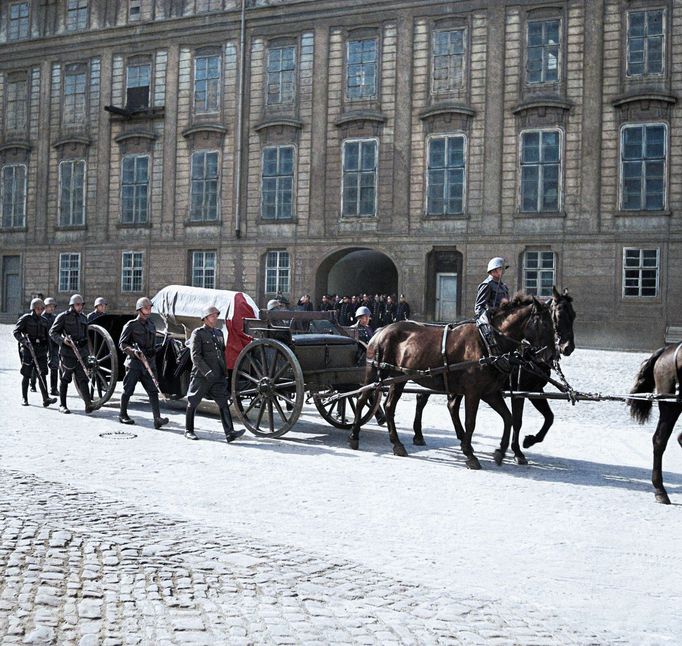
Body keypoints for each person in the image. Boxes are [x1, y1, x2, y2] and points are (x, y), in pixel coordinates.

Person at [185, 305, 244, 443]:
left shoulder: (218, 333)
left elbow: (222, 354)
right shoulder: (198, 333)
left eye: (216, 315)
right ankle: (188, 430)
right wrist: (207, 371)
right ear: (205, 318)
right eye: (212, 316)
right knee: (193, 401)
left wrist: (224, 373)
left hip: (217, 375)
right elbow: (196, 356)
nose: (215, 318)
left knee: (223, 402)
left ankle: (229, 433)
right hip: (201, 375)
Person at [118, 297, 169, 429]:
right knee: (128, 390)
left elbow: (151, 345)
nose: (149, 309)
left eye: (150, 307)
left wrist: (156, 349)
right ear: (140, 310)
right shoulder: (131, 325)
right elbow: (122, 344)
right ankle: (122, 414)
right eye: (146, 308)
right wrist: (134, 352)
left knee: (153, 392)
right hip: (134, 363)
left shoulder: (151, 325)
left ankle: (157, 419)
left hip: (148, 364)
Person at [49, 294, 94, 414]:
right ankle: (62, 405)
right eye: (78, 304)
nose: (80, 307)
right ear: (72, 305)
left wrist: (88, 353)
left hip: (81, 352)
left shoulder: (84, 318)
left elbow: (86, 336)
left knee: (83, 379)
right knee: (65, 378)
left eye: (81, 305)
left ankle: (88, 404)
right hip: (67, 353)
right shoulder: (63, 317)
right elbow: (53, 332)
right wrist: (63, 341)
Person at [13, 298, 57, 408]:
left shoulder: (44, 321)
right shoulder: (26, 319)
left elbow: (48, 337)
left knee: (42, 374)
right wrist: (24, 341)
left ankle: (45, 398)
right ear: (33, 308)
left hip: (41, 351)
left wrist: (49, 350)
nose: (40, 310)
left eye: (42, 308)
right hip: (28, 350)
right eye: (38, 308)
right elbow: (16, 332)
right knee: (26, 374)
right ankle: (24, 398)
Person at [474, 257, 511, 352]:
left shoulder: (504, 286)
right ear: (493, 270)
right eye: (500, 269)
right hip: (493, 320)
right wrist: (488, 315)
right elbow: (479, 307)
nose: (503, 271)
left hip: (504, 318)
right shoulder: (487, 285)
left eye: (503, 269)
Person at [42, 297, 60, 395]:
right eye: (49, 306)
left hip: (54, 345)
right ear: (45, 307)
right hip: (43, 345)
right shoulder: (41, 318)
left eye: (53, 306)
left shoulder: (55, 318)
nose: (51, 308)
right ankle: (33, 384)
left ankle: (53, 388)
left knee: (55, 366)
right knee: (40, 366)